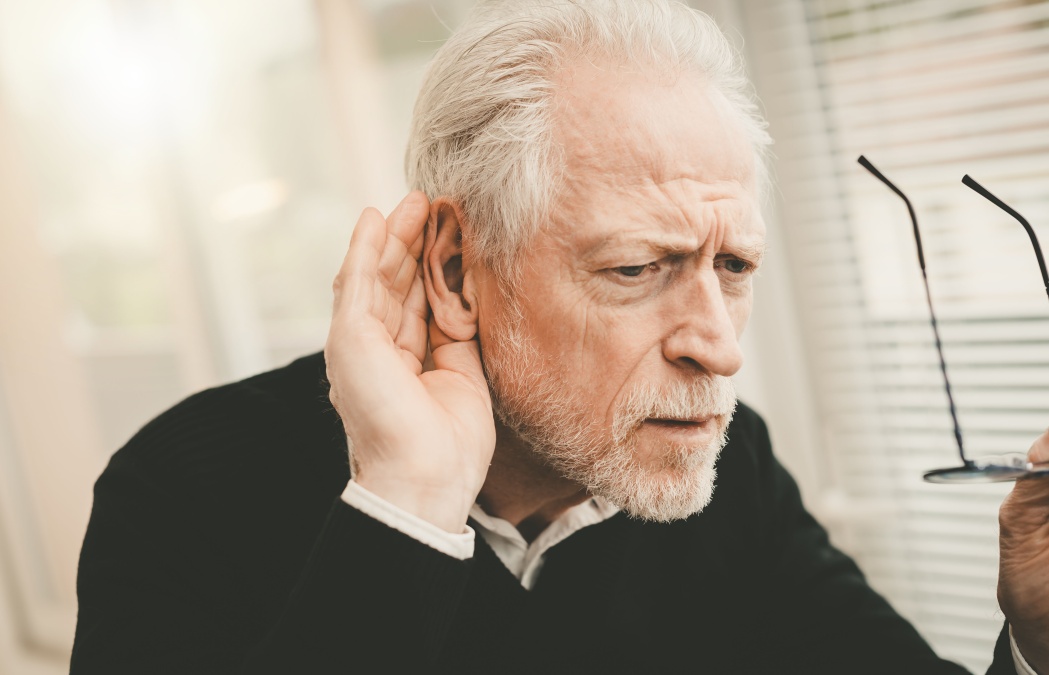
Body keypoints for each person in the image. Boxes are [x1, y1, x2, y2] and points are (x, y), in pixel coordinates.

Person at [71, 1, 1049, 673]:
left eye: (734, 268)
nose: (717, 346)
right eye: (636, 268)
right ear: (457, 272)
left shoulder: (724, 465)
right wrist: (406, 504)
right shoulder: (181, 492)